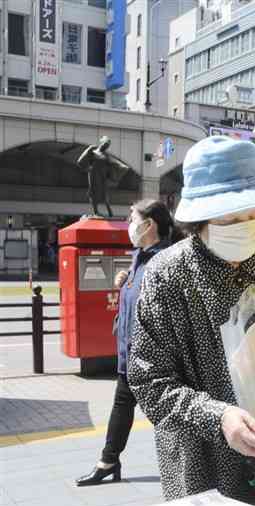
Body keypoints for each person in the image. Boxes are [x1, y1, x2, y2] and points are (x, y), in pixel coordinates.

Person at [127, 136, 255, 503]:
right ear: (200, 219)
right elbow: (149, 381)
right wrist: (217, 417)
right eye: (231, 217)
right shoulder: (168, 274)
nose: (247, 225)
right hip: (204, 461)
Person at [76, 199, 173, 486]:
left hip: (151, 357)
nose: (130, 225)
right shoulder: (140, 255)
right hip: (129, 353)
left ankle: (196, 459)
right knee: (122, 405)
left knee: (164, 411)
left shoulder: (163, 259)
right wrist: (126, 281)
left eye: (133, 218)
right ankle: (108, 460)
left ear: (149, 224)